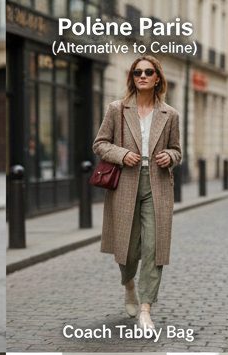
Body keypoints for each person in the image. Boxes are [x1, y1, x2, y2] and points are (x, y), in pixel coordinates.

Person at [93, 56, 181, 333]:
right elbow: (100, 144)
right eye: (137, 72)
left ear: (157, 78)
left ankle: (146, 308)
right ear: (132, 77)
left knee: (154, 248)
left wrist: (171, 155)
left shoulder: (170, 114)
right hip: (125, 184)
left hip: (158, 184)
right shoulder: (116, 109)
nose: (142, 76)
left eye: (148, 72)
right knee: (127, 249)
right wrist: (122, 154)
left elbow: (178, 149)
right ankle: (128, 284)